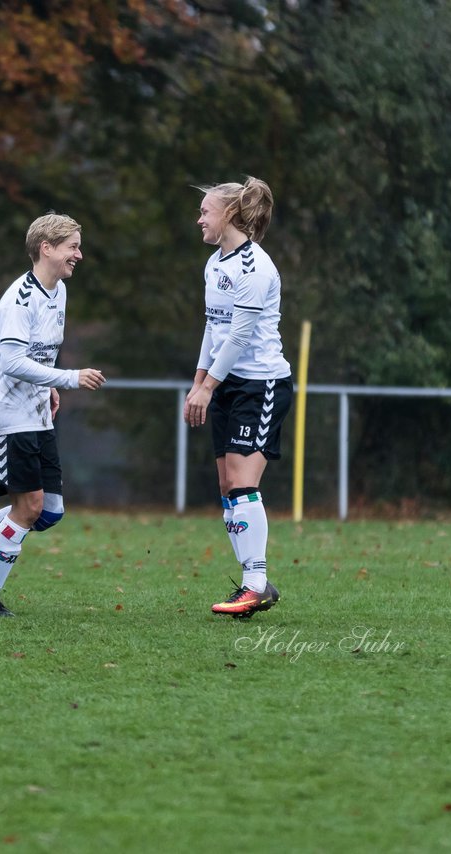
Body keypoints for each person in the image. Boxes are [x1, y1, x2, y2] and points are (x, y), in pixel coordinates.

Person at [0, 213, 106, 617]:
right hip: (7, 416)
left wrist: (50, 385)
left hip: (36, 413)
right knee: (29, 507)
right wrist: (69, 377)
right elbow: (12, 361)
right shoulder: (21, 297)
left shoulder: (57, 291)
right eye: (72, 246)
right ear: (47, 248)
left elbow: (39, 355)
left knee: (50, 511)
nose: (79, 254)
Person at [183, 176, 293, 618]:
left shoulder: (256, 268)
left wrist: (207, 387)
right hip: (226, 383)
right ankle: (254, 581)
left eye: (205, 212)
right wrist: (199, 383)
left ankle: (254, 584)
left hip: (261, 384)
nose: (200, 220)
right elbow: (214, 328)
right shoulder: (215, 264)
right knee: (229, 487)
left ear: (229, 215)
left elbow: (242, 336)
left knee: (244, 485)